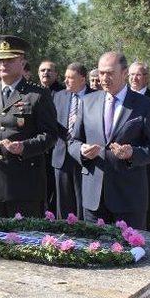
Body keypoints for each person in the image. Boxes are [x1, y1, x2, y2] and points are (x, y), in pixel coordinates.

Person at [0, 35, 58, 218]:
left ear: (22, 63)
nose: (2, 65)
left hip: (25, 186)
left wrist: (24, 147)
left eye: (9, 60)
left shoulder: (37, 95)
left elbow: (50, 135)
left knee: (25, 241)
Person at [68, 52, 150, 230]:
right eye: (101, 73)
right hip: (94, 198)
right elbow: (73, 141)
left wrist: (133, 153)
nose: (104, 78)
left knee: (129, 253)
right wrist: (82, 150)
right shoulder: (88, 101)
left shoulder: (145, 105)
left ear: (124, 72)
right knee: (94, 253)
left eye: (109, 73)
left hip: (128, 197)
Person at [52, 62, 93, 219]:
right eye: (65, 77)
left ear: (82, 79)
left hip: (84, 157)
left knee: (82, 201)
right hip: (61, 156)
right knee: (63, 202)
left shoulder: (95, 96)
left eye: (71, 78)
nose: (66, 81)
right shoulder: (59, 96)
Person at [129, 61, 150, 232]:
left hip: (149, 160)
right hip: (126, 162)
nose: (134, 78)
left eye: (138, 74)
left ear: (147, 78)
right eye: (131, 75)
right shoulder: (123, 98)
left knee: (149, 200)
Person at [38, 60, 63, 213]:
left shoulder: (63, 93)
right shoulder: (33, 92)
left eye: (49, 70)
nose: (45, 73)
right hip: (38, 149)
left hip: (57, 148)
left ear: (56, 74)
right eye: (42, 70)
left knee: (55, 188)